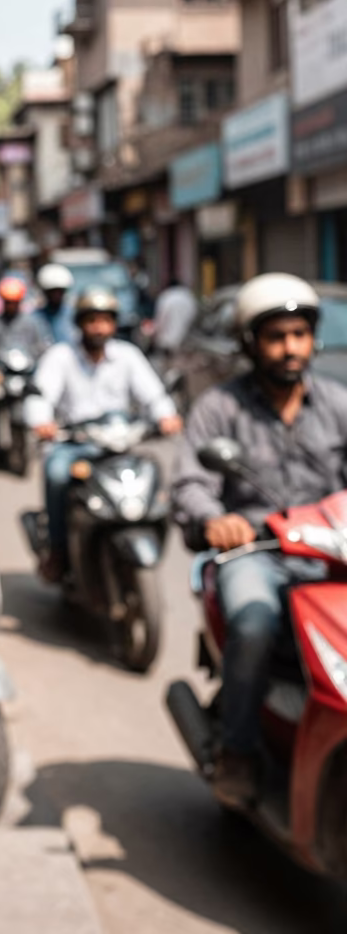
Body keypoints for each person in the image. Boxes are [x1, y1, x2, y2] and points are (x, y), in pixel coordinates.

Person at [173, 273, 347, 807]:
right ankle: (239, 751)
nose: (290, 347)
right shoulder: (218, 408)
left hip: (331, 553)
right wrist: (217, 521)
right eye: (276, 336)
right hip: (259, 554)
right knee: (252, 619)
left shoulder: (339, 403)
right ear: (250, 342)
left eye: (299, 334)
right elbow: (189, 487)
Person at [27, 288, 182, 581]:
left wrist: (166, 416)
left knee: (152, 475)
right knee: (57, 473)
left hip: (120, 442)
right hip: (76, 444)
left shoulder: (128, 355)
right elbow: (40, 396)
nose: (99, 328)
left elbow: (154, 394)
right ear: (79, 323)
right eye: (92, 320)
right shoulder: (61, 357)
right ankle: (58, 551)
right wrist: (41, 421)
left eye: (105, 320)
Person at [0, 276, 51, 435]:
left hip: (24, 370)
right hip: (0, 369)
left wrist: (44, 352)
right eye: (8, 302)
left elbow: (43, 343)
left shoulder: (31, 322)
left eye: (15, 302)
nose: (11, 306)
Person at [153, 277, 198, 356]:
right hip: (187, 338)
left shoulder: (166, 296)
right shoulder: (189, 296)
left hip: (167, 340)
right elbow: (195, 315)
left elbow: (161, 318)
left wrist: (156, 333)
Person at [32, 263, 76, 345]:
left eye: (60, 291)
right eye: (52, 292)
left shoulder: (74, 316)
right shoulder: (34, 318)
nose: (56, 296)